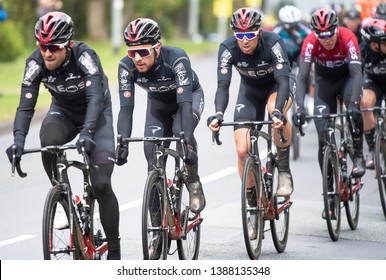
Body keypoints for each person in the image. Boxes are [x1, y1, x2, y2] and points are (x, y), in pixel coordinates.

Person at [5, 12, 121, 259]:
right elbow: (26, 106)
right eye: (42, 46)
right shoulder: (35, 64)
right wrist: (17, 141)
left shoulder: (86, 56)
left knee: (101, 183)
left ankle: (115, 250)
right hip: (63, 112)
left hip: (97, 112)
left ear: (68, 45)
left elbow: (94, 98)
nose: (47, 53)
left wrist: (88, 132)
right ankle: (62, 198)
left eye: (54, 47)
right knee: (48, 142)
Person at [116, 18, 205, 257]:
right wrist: (121, 141)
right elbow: (126, 109)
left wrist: (186, 141)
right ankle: (157, 231)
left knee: (180, 132)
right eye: (132, 52)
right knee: (152, 161)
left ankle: (193, 181)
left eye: (143, 51)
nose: (137, 58)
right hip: (158, 107)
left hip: (187, 101)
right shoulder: (126, 67)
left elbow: (185, 105)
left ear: (157, 47)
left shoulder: (176, 58)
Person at [207, 7, 294, 202]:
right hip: (250, 92)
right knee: (242, 150)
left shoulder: (273, 43)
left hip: (277, 87)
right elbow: (223, 86)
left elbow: (283, 81)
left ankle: (284, 169)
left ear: (259, 33)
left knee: (274, 111)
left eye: (249, 34)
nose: (244, 40)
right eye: (239, 35)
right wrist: (219, 113)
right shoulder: (228, 48)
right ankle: (253, 203)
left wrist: (279, 111)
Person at [294, 8, 366, 187]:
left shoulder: (347, 37)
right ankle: (328, 188)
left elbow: (357, 74)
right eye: (321, 35)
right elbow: (302, 77)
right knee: (323, 137)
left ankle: (358, 156)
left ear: (336, 29)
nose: (325, 40)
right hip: (325, 83)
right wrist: (300, 107)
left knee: (352, 107)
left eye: (329, 34)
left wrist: (355, 104)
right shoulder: (310, 41)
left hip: (347, 79)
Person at [359, 18, 386, 169]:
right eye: (384, 42)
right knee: (365, 104)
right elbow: (354, 74)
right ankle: (371, 148)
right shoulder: (362, 51)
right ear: (373, 44)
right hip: (372, 82)